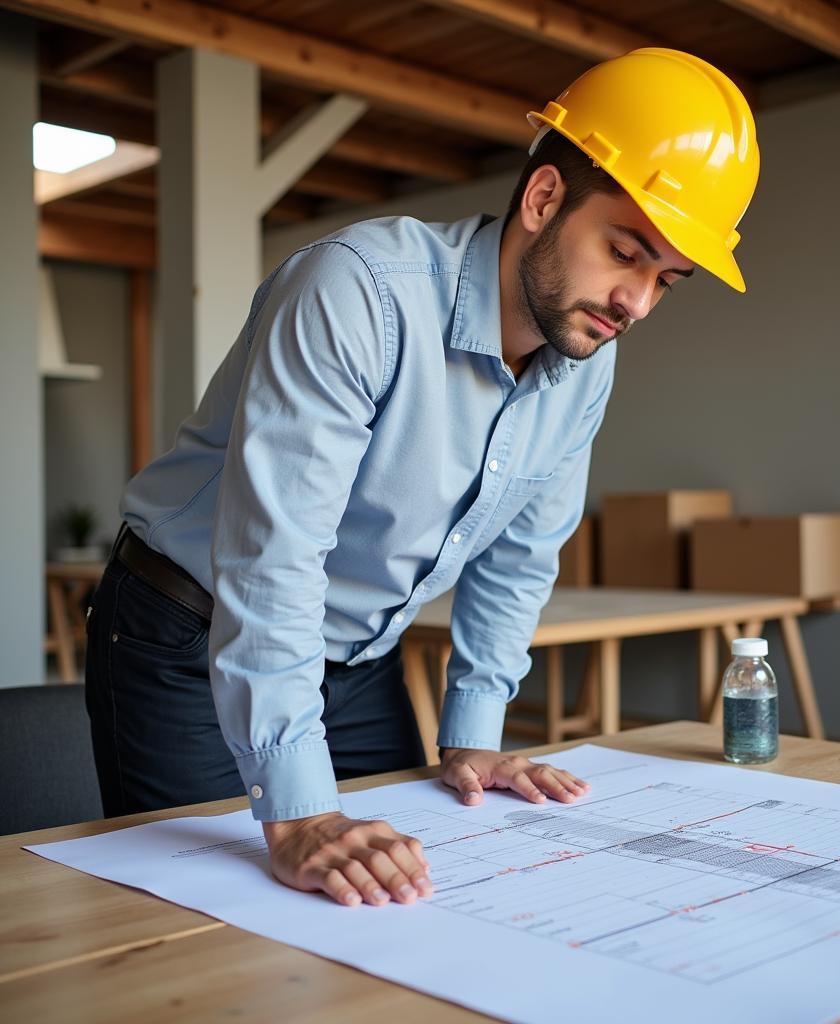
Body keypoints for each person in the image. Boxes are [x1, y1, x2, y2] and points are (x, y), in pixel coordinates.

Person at [85, 48, 759, 909]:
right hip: (188, 629)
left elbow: (520, 558)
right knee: (208, 922)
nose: (636, 303)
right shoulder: (357, 291)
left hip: (360, 657)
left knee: (400, 895)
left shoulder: (583, 359)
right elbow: (274, 554)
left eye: (666, 280)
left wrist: (474, 736)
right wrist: (296, 816)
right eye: (624, 251)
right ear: (544, 197)